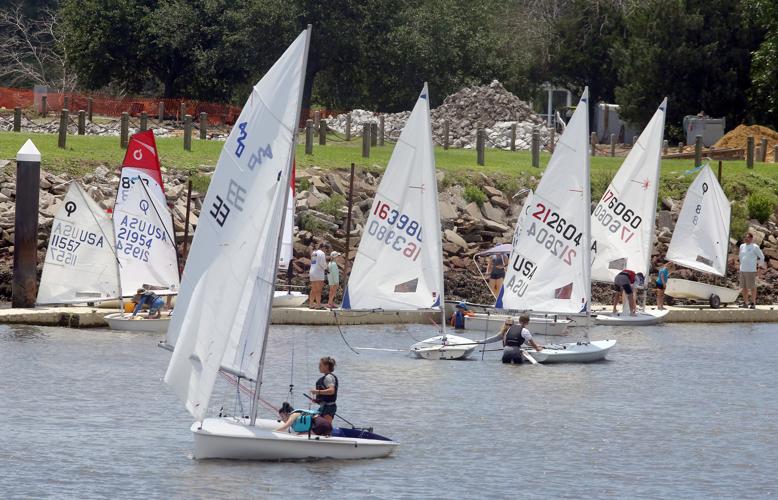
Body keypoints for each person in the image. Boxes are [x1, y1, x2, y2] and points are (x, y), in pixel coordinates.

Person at [739, 232, 765, 309]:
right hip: (742, 269)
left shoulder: (755, 247)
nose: (746, 239)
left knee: (752, 287)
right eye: (745, 237)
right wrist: (740, 266)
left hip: (751, 270)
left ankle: (753, 303)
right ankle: (745, 303)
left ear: (751, 238)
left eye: (748, 237)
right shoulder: (742, 246)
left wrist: (759, 267)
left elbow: (762, 257)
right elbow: (740, 256)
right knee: (744, 287)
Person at [311, 356, 338, 423]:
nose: (319, 367)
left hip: (328, 407)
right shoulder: (326, 377)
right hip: (324, 406)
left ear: (326, 366)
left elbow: (331, 391)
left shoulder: (328, 377)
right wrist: (318, 400)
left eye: (320, 365)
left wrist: (317, 391)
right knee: (316, 422)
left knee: (326, 426)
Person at [308, 242, 328, 309]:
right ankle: (318, 305)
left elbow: (313, 262)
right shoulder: (322, 253)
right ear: (323, 248)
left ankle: (311, 304)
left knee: (313, 289)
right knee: (318, 290)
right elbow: (323, 263)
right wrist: (326, 268)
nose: (326, 250)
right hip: (318, 272)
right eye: (326, 248)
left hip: (312, 272)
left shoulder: (314, 253)